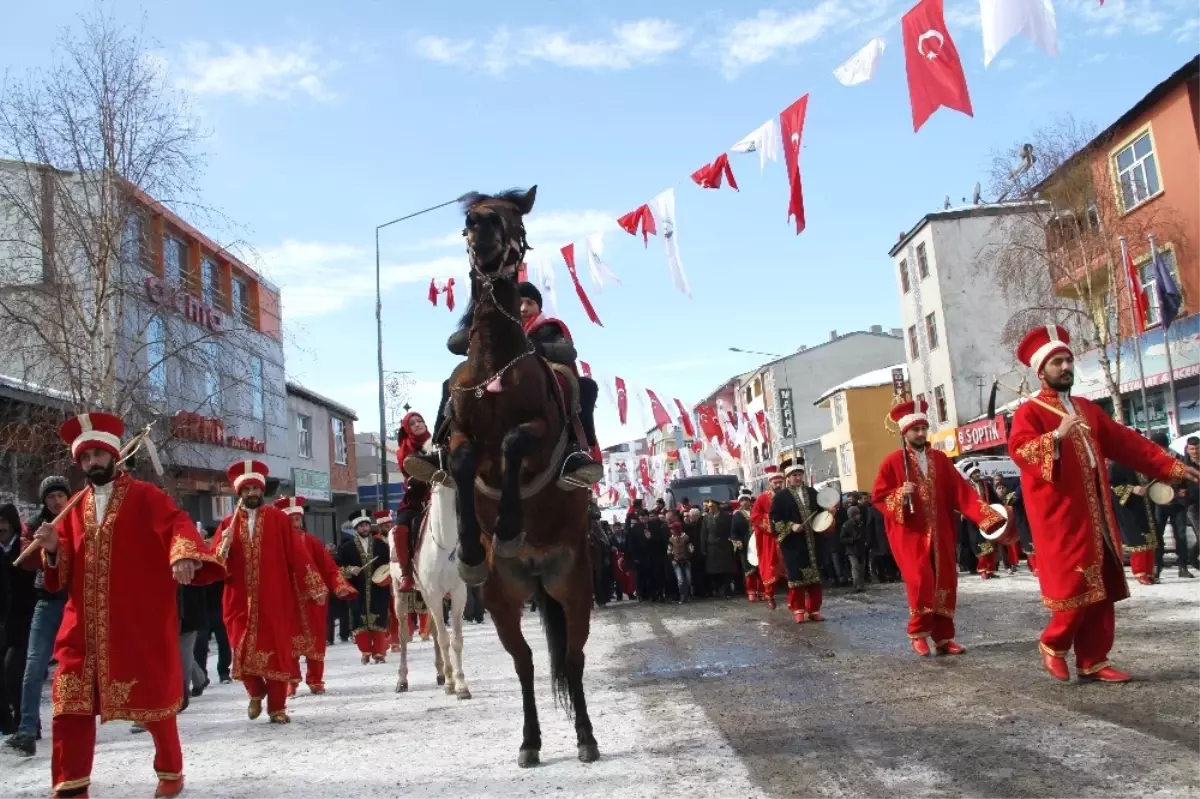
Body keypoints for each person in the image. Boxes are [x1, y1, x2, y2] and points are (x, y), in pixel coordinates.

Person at [30, 411, 225, 798]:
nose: (92, 464)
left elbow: (178, 525)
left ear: (114, 455)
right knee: (69, 703)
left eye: (98, 455)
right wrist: (53, 550)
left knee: (153, 700)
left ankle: (170, 772)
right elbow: (61, 570)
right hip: (82, 627)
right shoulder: (74, 508)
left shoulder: (146, 496)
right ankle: (71, 784)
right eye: (84, 459)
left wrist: (182, 554)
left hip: (137, 622)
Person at [1007, 325, 1199, 682]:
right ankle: (1054, 643)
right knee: (1074, 587)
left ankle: (1093, 659)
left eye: (1068, 360)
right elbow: (1020, 452)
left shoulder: (1086, 409)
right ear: (1041, 371)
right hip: (1061, 517)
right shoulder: (1029, 412)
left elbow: (1127, 443)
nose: (1065, 367)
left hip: (1098, 513)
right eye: (1057, 362)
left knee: (1103, 586)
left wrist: (1170, 465)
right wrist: (1055, 437)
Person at [404, 281, 603, 489]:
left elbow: (568, 352)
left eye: (530, 303)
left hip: (540, 380)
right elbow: (454, 343)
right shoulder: (495, 327)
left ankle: (576, 452)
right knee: (452, 383)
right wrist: (477, 329)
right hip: (493, 378)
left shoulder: (549, 328)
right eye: (519, 303)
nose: (524, 308)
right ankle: (442, 451)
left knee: (586, 386)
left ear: (539, 307)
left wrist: (531, 347)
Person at [873, 399, 1004, 656]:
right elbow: (879, 497)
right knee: (921, 581)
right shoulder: (893, 462)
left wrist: (987, 517)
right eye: (916, 430)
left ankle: (944, 637)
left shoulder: (941, 459)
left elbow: (960, 493)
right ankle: (918, 631)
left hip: (941, 530)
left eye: (924, 428)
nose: (921, 434)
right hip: (910, 534)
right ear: (905, 433)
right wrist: (900, 494)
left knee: (946, 580)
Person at [213, 460, 320, 724]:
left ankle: (277, 707)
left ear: (262, 491)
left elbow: (298, 554)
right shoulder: (228, 523)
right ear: (239, 493)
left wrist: (313, 585)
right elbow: (214, 563)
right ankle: (255, 691)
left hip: (274, 598)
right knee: (240, 649)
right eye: (246, 489)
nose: (251, 493)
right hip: (237, 600)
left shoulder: (277, 520)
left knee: (276, 651)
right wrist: (221, 548)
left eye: (255, 489)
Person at [5, 476, 71, 756]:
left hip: (77, 600)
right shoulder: (35, 526)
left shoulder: (81, 517)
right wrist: (42, 544)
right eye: (50, 497)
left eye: (60, 496)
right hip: (46, 601)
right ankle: (27, 730)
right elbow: (27, 562)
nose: (56, 501)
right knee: (33, 666)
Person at [274, 496, 356, 694]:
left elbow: (328, 567)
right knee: (288, 641)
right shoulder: (276, 546)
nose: (295, 523)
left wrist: (338, 585)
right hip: (288, 600)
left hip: (314, 599)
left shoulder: (311, 542)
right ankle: (291, 680)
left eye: (297, 519)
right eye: (291, 520)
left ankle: (315, 679)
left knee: (316, 640)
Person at [770, 463, 828, 623]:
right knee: (796, 577)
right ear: (787, 478)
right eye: (794, 475)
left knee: (815, 578)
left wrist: (828, 513)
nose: (797, 478)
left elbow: (821, 513)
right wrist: (791, 525)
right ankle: (798, 610)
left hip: (813, 541)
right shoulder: (780, 497)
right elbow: (774, 520)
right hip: (793, 543)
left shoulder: (812, 493)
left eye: (799, 474)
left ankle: (814, 609)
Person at [338, 507, 392, 664]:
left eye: (367, 525)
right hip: (357, 589)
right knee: (359, 620)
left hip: (379, 589)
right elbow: (337, 569)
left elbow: (390, 564)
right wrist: (349, 570)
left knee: (380, 618)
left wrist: (386, 574)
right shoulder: (346, 548)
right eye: (361, 526)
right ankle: (366, 651)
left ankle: (380, 652)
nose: (365, 528)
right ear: (356, 528)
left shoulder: (381, 545)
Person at [0, 502, 33, 736]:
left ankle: (26, 724)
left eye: (3, 521)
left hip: (23, 620)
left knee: (13, 671)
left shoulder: (23, 548)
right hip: (3, 621)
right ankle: (6, 722)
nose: (0, 527)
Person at [1108, 460, 1158, 586]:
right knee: (1137, 539)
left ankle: (1149, 572)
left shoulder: (1143, 464)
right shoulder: (1118, 465)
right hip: (1130, 508)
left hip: (1146, 506)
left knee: (1150, 539)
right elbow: (1112, 487)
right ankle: (1140, 572)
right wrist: (1131, 489)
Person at [752, 469, 786, 609]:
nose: (778, 485)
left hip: (786, 535)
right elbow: (754, 516)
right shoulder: (762, 498)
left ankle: (795, 600)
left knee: (789, 566)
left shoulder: (787, 495)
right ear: (770, 483)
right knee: (770, 566)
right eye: (775, 482)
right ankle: (770, 595)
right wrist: (770, 523)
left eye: (780, 482)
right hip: (769, 538)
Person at [960, 465, 1002, 579]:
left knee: (991, 544)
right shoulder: (966, 486)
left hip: (988, 517)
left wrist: (1001, 508)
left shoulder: (986, 485)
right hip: (974, 519)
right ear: (970, 475)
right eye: (975, 473)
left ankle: (991, 570)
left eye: (978, 472)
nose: (978, 474)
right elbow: (962, 501)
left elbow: (995, 499)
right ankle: (983, 569)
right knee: (979, 544)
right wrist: (963, 512)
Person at [730, 488, 761, 601]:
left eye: (746, 500)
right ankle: (751, 591)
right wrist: (737, 542)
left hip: (758, 544)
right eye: (742, 500)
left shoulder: (756, 511)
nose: (744, 502)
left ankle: (762, 591)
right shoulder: (737, 515)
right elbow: (733, 532)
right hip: (746, 546)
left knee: (760, 568)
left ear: (750, 501)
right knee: (748, 569)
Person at [840, 506, 868, 593]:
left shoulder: (860, 523)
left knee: (862, 567)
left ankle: (861, 585)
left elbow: (864, 534)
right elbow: (842, 538)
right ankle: (856, 585)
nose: (859, 515)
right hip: (852, 550)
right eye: (856, 514)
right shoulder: (846, 525)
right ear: (852, 515)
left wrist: (865, 541)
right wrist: (852, 539)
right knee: (855, 567)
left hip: (861, 548)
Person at [667, 516, 693, 603]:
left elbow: (691, 548)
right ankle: (682, 595)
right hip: (676, 562)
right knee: (680, 580)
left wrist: (688, 555)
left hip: (686, 561)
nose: (671, 531)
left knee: (688, 579)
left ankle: (688, 593)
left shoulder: (685, 537)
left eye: (673, 529)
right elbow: (669, 550)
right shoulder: (671, 539)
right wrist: (672, 558)